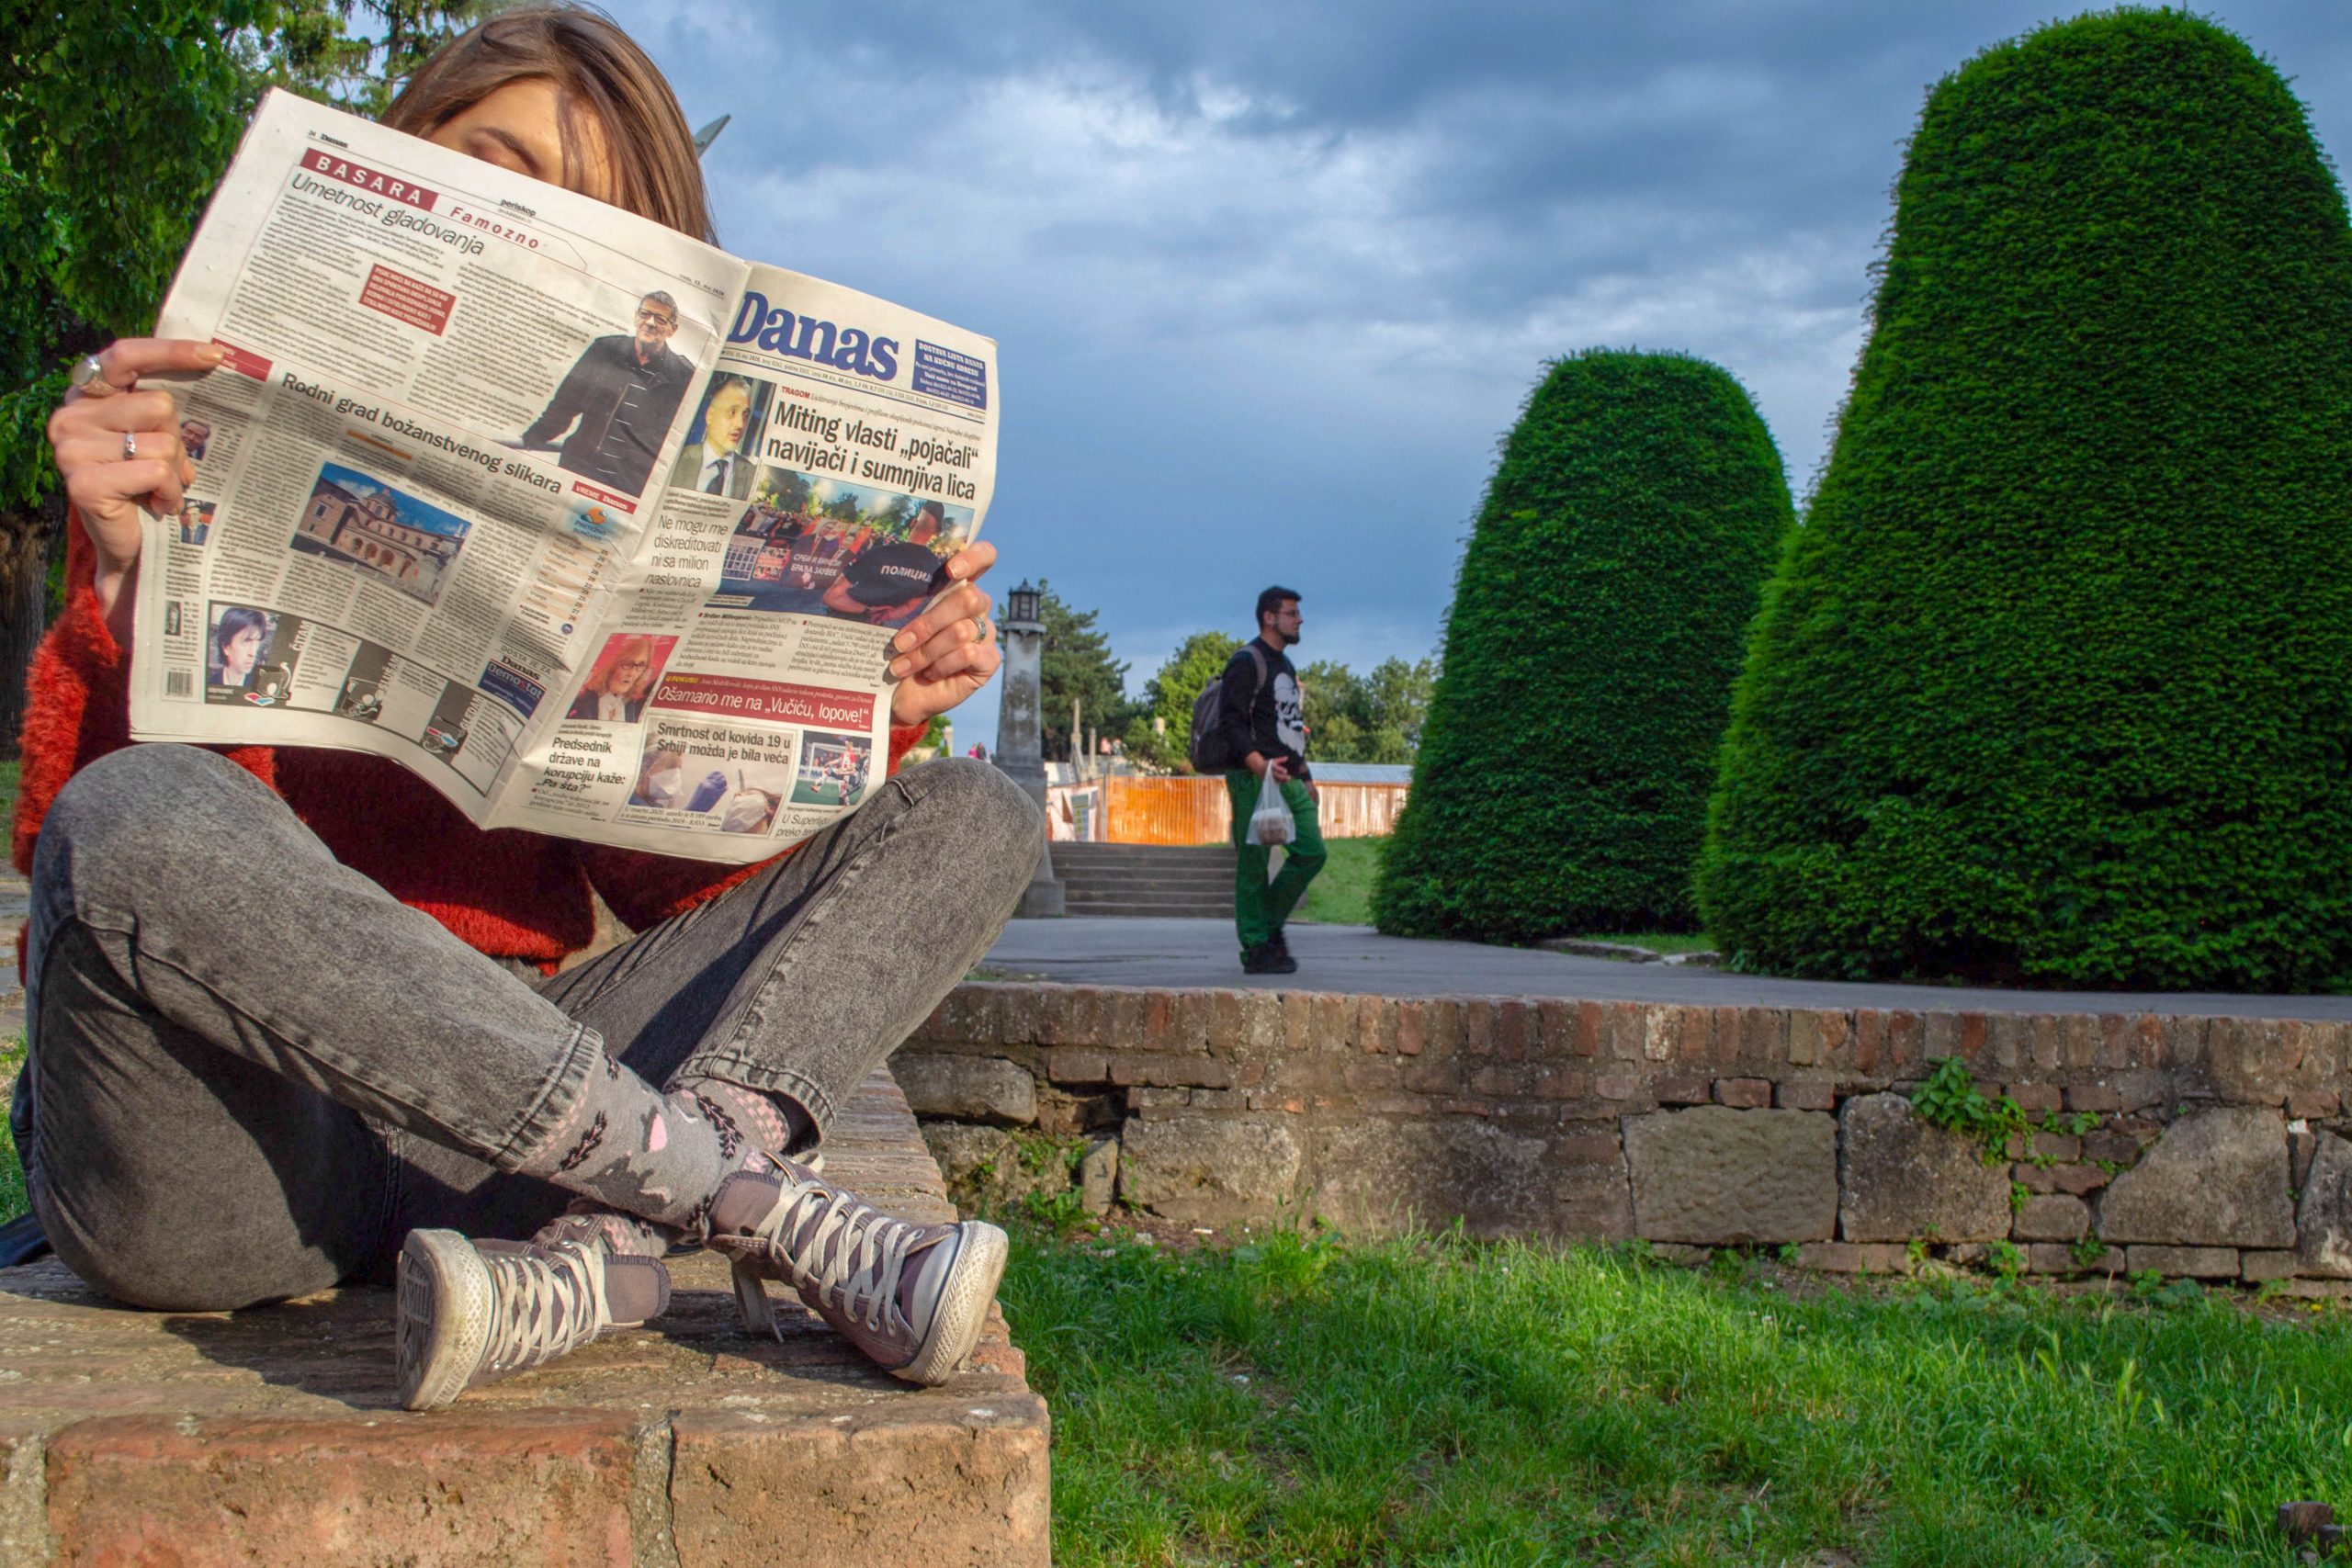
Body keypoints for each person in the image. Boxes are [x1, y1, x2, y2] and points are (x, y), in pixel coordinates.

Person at [24, 6, 1027, 1415]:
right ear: (405, 152)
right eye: (501, 162)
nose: (548, 221)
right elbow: (94, 865)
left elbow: (647, 878)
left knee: (971, 812)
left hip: (523, 1115)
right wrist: (129, 592)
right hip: (238, 1144)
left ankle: (611, 1244)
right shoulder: (178, 429)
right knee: (132, 811)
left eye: (597, 213)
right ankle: (737, 1200)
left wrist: (870, 711)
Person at [1217, 586, 1326, 975]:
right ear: (1269, 617)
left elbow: (1292, 727)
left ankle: (1269, 927)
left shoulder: (1286, 666)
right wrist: (1257, 765)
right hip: (1253, 778)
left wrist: (1306, 775)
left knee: (1312, 852)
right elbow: (1230, 721)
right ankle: (1257, 947)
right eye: (1292, 613)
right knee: (1254, 863)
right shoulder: (1247, 661)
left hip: (1288, 777)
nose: (1299, 620)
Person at [518, 288, 694, 496]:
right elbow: (565, 403)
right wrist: (535, 436)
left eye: (660, 319)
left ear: (672, 329)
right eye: (645, 314)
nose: (650, 323)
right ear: (636, 317)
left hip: (629, 486)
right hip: (580, 469)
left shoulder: (683, 376)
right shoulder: (605, 349)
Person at [669, 374, 758, 499]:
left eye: (745, 415)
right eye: (732, 412)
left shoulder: (752, 476)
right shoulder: (676, 459)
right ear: (710, 415)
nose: (740, 424)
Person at [567, 634, 659, 722]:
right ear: (612, 665)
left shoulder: (630, 705)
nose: (632, 673)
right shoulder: (583, 703)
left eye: (641, 665)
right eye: (628, 664)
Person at [207, 606, 268, 688]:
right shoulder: (210, 684)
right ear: (226, 646)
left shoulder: (261, 685)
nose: (253, 653)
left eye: (257, 641)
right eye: (246, 641)